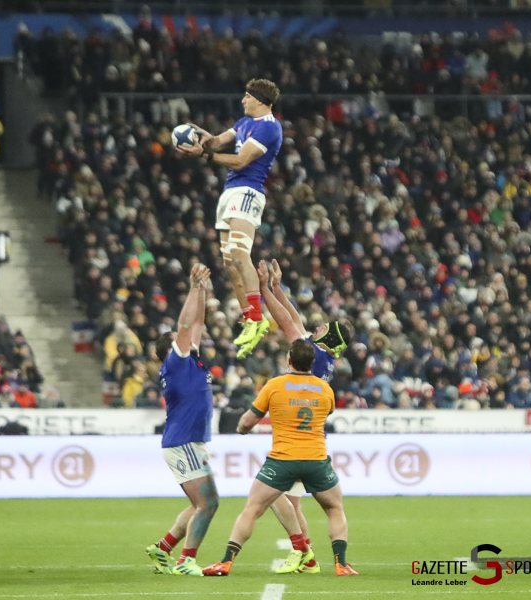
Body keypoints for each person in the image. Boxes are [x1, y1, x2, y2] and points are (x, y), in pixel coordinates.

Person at [202, 339, 357, 577]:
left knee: (252, 509)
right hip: (316, 459)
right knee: (335, 508)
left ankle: (226, 561)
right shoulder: (325, 389)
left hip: (282, 460)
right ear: (312, 363)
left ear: (289, 360)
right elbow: (328, 411)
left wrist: (242, 430)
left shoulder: (275, 385)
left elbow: (247, 422)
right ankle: (341, 564)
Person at [257, 259, 352, 574]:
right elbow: (293, 316)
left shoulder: (311, 353)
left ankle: (303, 551)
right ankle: (307, 555)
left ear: (328, 337)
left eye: (324, 328)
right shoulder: (323, 358)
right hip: (313, 439)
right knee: (293, 500)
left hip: (293, 442)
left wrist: (263, 290)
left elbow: (286, 319)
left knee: (274, 495)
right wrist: (275, 287)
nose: (318, 326)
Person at [178, 79, 283, 358]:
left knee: (239, 254)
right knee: (229, 263)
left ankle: (257, 318)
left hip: (248, 192)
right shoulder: (243, 123)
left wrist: (206, 156)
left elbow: (240, 161)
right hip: (230, 193)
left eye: (247, 97)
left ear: (260, 101)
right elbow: (218, 141)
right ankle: (250, 319)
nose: (242, 101)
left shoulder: (270, 127)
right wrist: (200, 136)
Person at [144, 264, 219, 577]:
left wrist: (201, 289)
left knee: (199, 503)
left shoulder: (189, 361)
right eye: (181, 338)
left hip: (189, 442)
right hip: (183, 442)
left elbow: (196, 322)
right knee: (208, 503)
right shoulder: (176, 361)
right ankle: (186, 560)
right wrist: (192, 287)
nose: (187, 337)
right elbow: (187, 323)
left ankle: (163, 547)